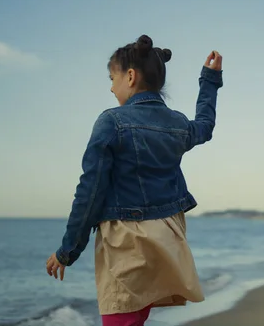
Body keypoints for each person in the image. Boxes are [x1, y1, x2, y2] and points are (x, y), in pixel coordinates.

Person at [45, 34, 224, 326]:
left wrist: (68, 251)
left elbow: (89, 192)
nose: (111, 86)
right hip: (168, 234)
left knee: (121, 319)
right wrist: (210, 80)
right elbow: (205, 126)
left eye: (112, 77)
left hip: (127, 241)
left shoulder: (111, 121)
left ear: (130, 76)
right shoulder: (177, 123)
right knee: (136, 318)